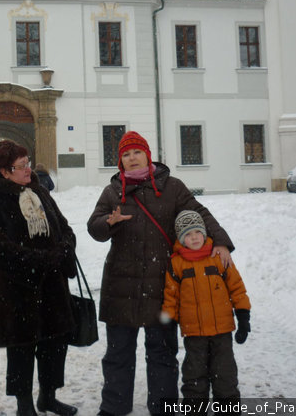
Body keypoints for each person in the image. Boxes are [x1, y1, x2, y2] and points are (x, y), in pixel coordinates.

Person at [87, 131, 235, 416]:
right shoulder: (112, 191)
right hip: (121, 285)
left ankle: (163, 407)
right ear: (120, 161)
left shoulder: (172, 187)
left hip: (162, 286)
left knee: (162, 353)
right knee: (118, 354)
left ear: (147, 155)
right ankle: (114, 406)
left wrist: (220, 241)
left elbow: (199, 213)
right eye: (126, 155)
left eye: (136, 152)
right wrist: (109, 221)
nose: (131, 158)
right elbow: (94, 227)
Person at [0, 140, 78, 416]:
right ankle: (24, 405)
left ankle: (48, 397)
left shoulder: (40, 192)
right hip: (16, 289)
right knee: (21, 349)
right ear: (4, 171)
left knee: (54, 345)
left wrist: (65, 247)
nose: (28, 169)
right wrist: (39, 261)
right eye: (21, 166)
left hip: (52, 285)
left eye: (27, 163)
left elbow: (64, 227)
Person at [162, 210, 251, 411]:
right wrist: (168, 325)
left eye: (197, 232)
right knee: (194, 376)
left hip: (222, 332)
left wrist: (243, 316)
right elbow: (170, 297)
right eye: (188, 234)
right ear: (181, 238)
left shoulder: (219, 257)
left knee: (225, 374)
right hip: (194, 334)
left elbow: (237, 288)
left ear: (204, 233)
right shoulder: (176, 263)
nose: (194, 237)